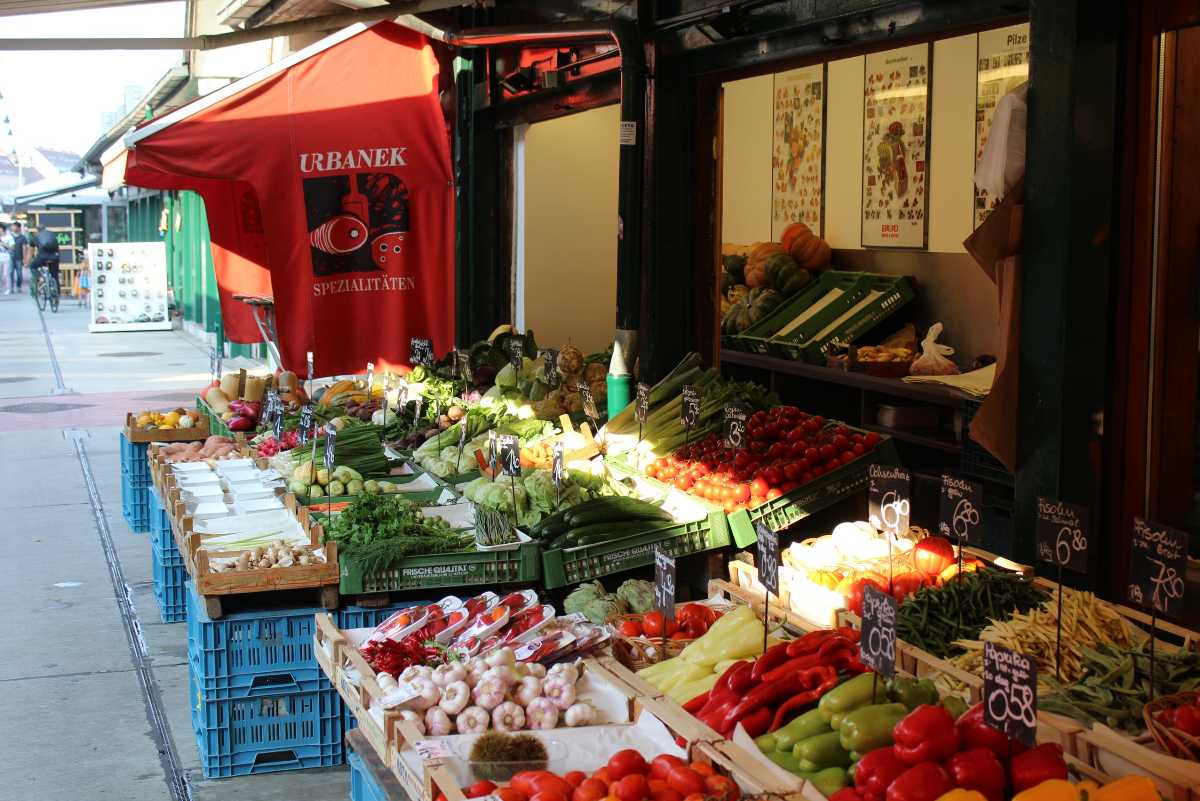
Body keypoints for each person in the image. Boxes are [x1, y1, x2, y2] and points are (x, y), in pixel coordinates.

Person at [29, 224, 61, 291]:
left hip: (42, 258)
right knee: (55, 276)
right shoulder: (52, 235)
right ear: (45, 228)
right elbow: (57, 247)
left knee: (32, 266)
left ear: (37, 230)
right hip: (54, 257)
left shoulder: (35, 237)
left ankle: (40, 278)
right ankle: (57, 294)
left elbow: (31, 251)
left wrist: (27, 261)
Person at [9, 220, 27, 293]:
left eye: (14, 226)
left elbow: (24, 248)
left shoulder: (22, 237)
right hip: (10, 257)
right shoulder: (9, 236)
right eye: (12, 226)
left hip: (19, 257)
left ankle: (18, 286)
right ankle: (11, 287)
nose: (13, 228)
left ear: (19, 228)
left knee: (19, 273)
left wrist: (24, 258)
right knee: (10, 272)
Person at [0, 224, 12, 295]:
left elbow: (12, 247)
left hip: (6, 258)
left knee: (6, 274)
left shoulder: (9, 237)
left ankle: (8, 288)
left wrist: (3, 244)